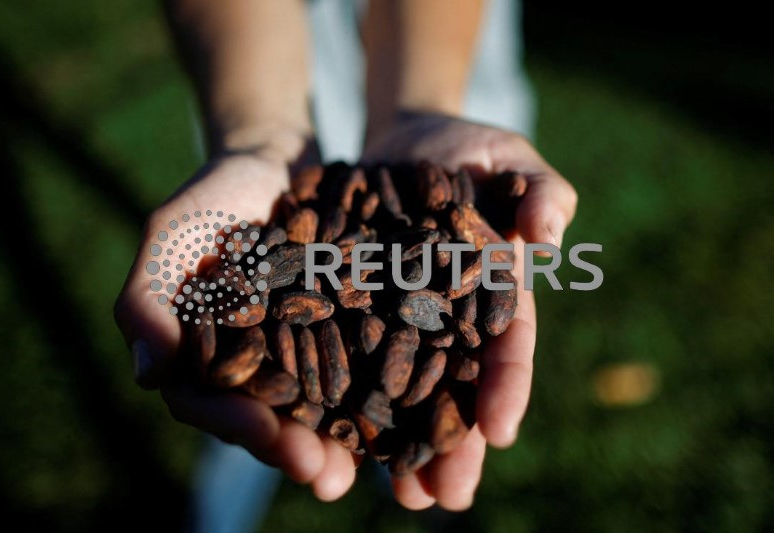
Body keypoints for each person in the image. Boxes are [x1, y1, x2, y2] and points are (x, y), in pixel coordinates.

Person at [114, 0, 577, 523]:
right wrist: (259, 133)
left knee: (390, 428)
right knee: (250, 408)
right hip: (264, 84)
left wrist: (421, 106)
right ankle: (222, 506)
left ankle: (389, 454)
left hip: (449, 63)